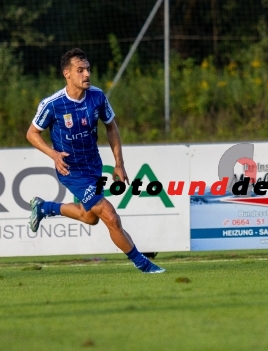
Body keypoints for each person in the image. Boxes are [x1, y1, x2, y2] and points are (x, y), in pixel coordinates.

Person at [26, 48, 165, 273]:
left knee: (89, 217)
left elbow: (111, 127)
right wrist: (53, 154)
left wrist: (119, 164)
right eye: (80, 70)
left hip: (93, 166)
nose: (87, 74)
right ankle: (143, 264)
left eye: (88, 69)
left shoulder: (97, 96)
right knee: (110, 216)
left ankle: (44, 207)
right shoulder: (53, 104)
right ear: (67, 74)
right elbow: (31, 133)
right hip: (70, 170)